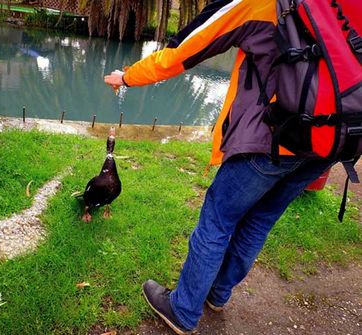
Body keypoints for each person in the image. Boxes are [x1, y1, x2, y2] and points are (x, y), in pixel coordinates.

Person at [104, 0, 335, 334]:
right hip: (330, 143)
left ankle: (183, 310)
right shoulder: (345, 8)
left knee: (218, 219)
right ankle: (218, 294)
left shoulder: (264, 4)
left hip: (272, 138)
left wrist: (127, 76)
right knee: (260, 219)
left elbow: (184, 50)